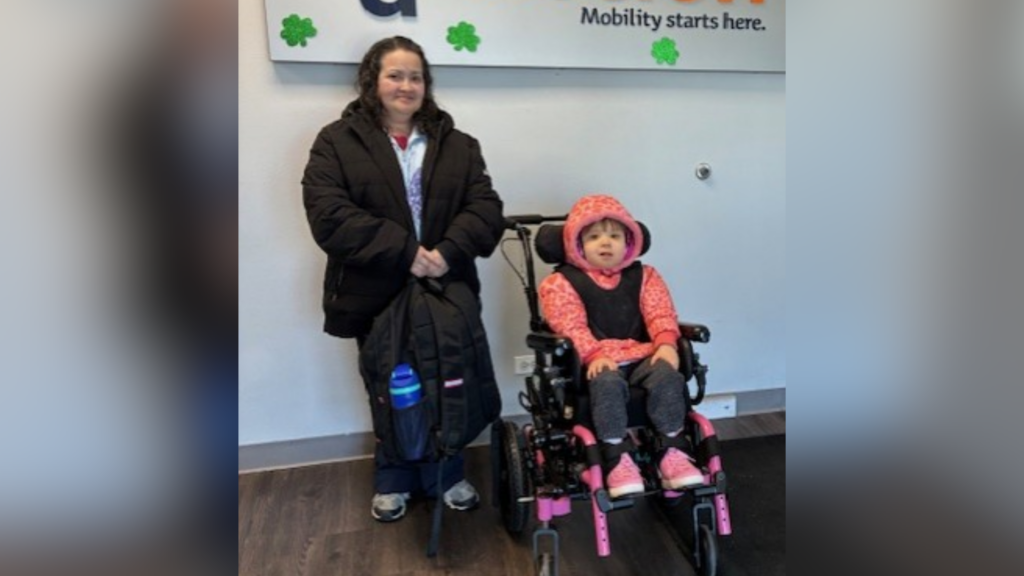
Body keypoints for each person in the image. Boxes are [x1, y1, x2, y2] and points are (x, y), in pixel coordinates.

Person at [301, 36, 505, 522]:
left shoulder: (459, 144)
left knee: (450, 381)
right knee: (391, 385)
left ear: (426, 85)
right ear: (373, 80)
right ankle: (393, 478)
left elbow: (486, 209)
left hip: (445, 286)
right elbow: (327, 214)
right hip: (375, 291)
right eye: (395, 74)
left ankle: (448, 474)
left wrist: (446, 253)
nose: (406, 85)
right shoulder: (335, 140)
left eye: (415, 76)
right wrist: (405, 252)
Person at [538, 194, 704, 498]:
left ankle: (672, 451)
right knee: (607, 384)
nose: (606, 243)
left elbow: (660, 313)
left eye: (615, 236)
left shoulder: (645, 277)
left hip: (642, 356)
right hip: (596, 361)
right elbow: (569, 324)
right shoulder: (561, 284)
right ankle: (616, 457)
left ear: (630, 242)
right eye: (594, 236)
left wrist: (666, 343)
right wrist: (593, 353)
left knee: (668, 377)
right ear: (576, 244)